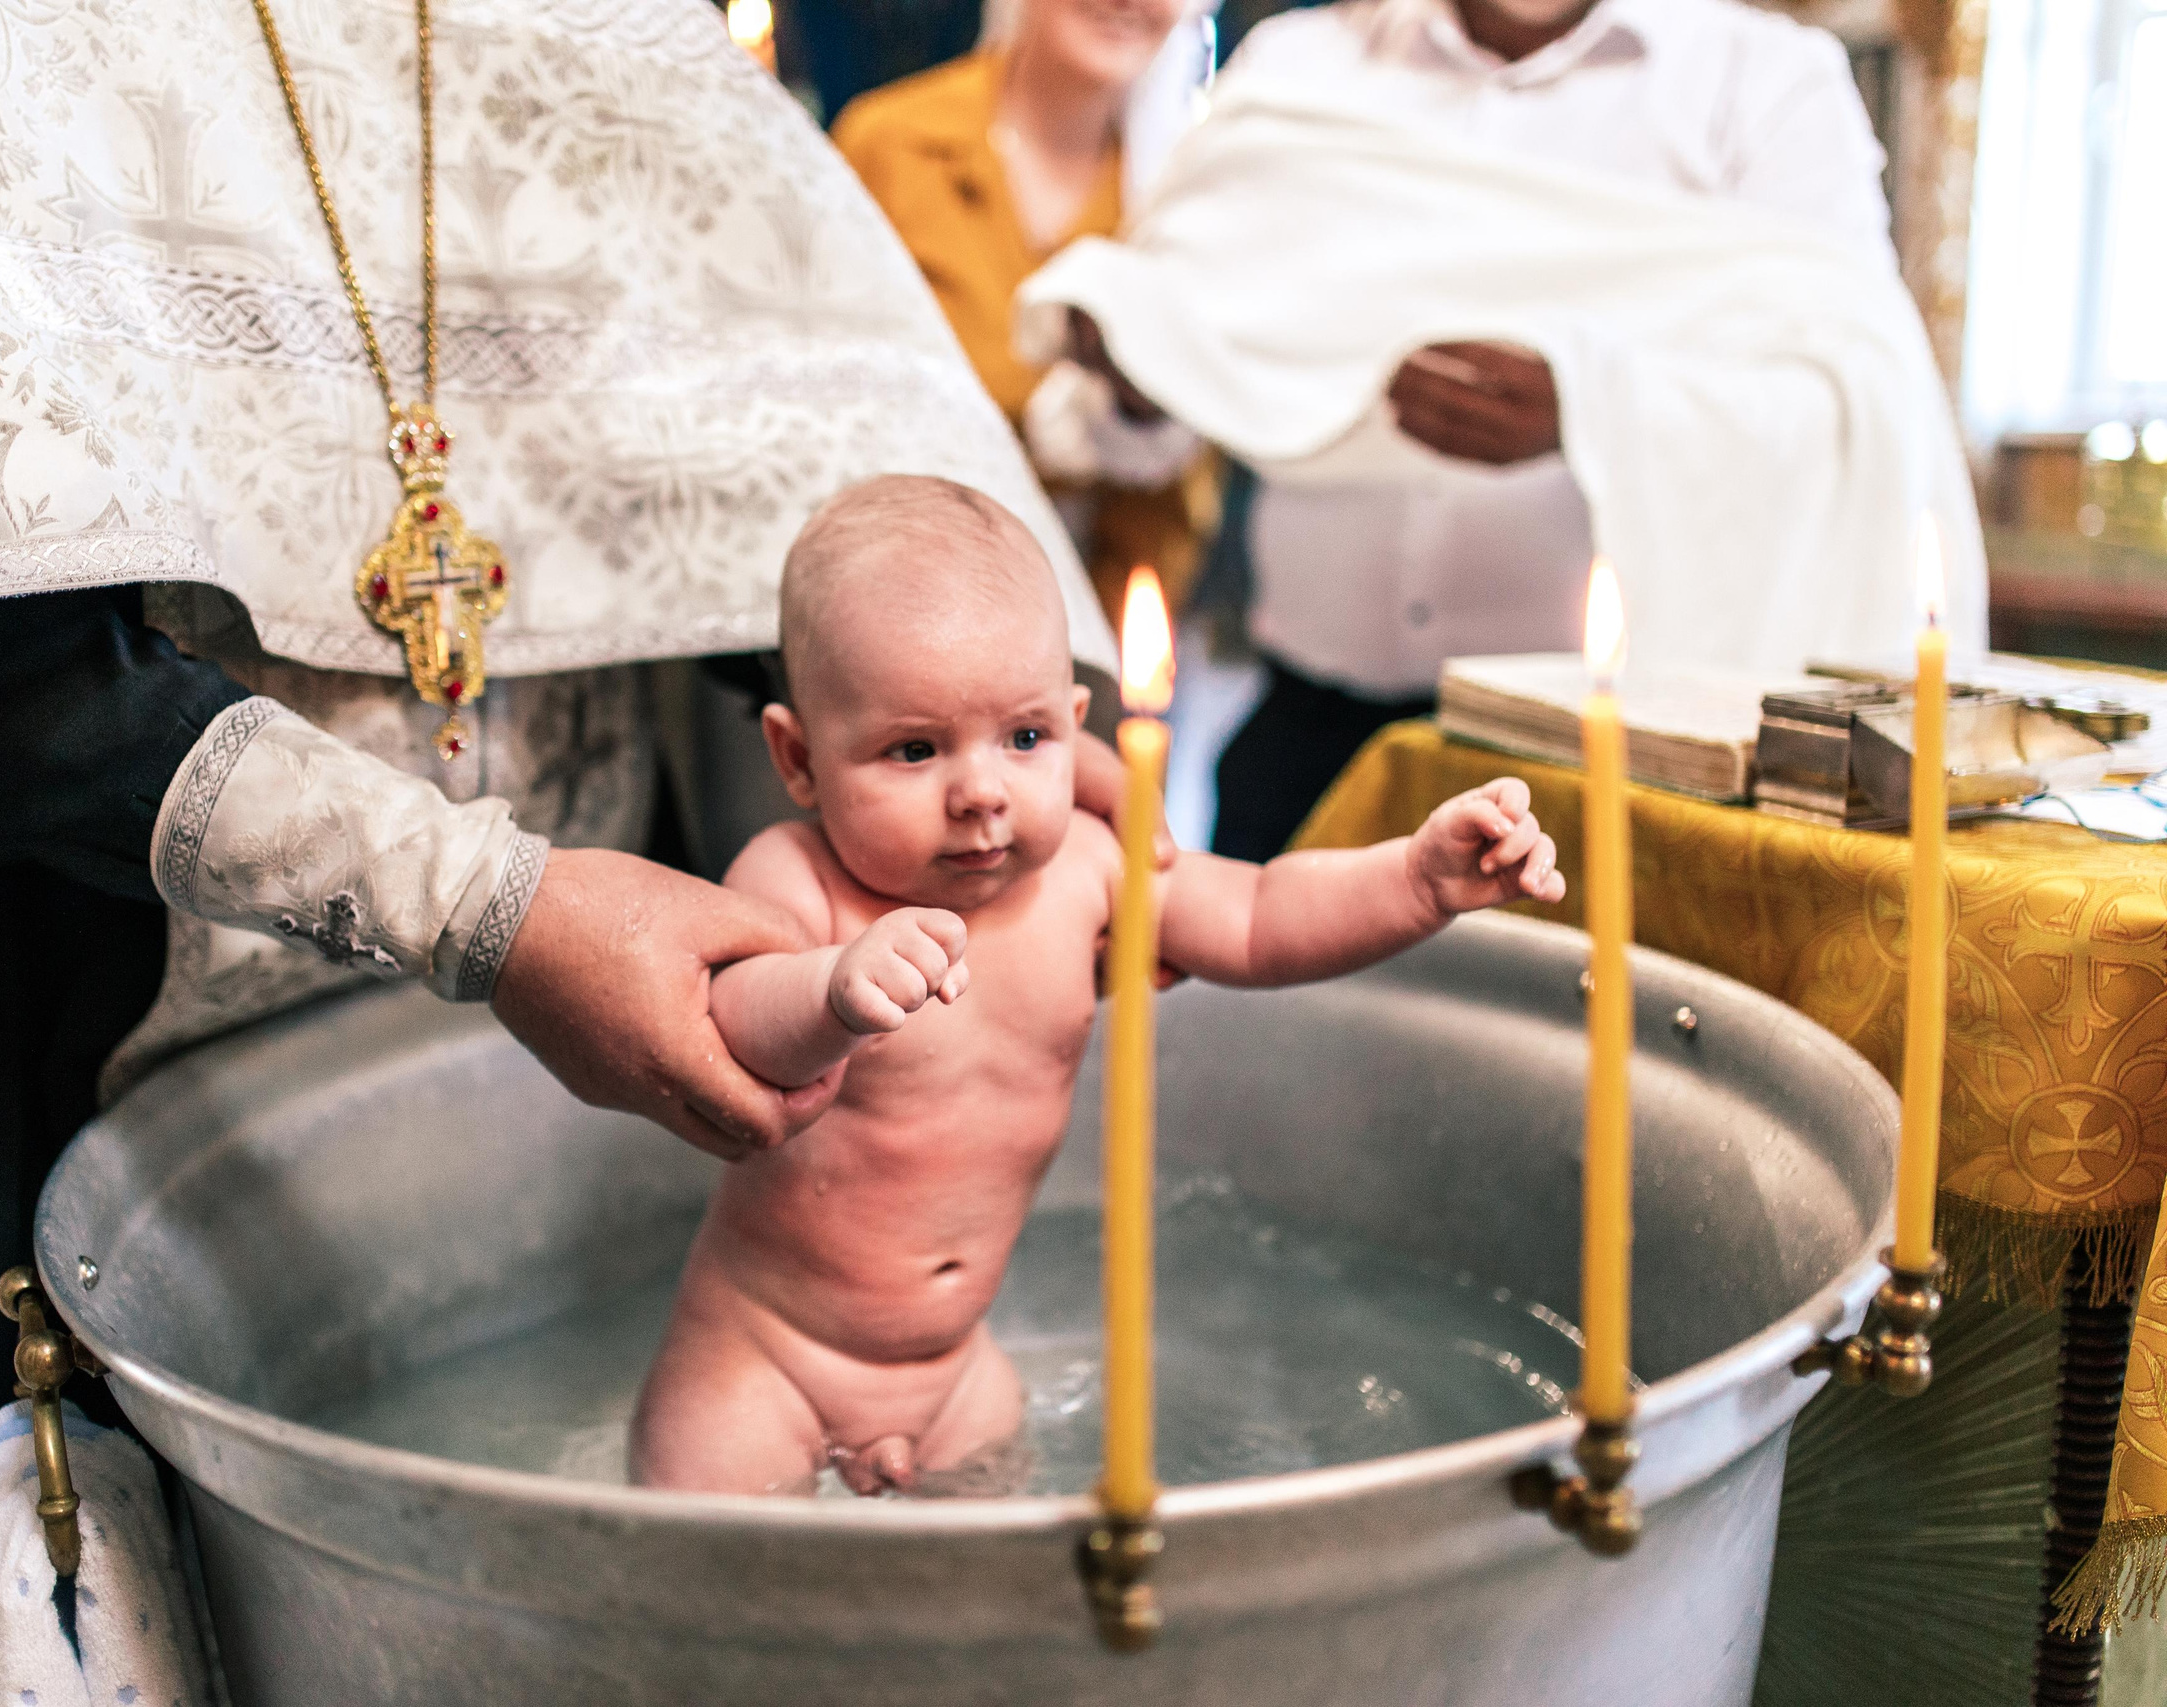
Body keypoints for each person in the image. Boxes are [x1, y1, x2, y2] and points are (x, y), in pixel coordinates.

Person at [0, 3, 1119, 1698]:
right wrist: (483, 904)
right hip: (88, 1045)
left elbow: (770, 458)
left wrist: (974, 734)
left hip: (608, 1105)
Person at [626, 475, 1561, 1495]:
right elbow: (729, 1033)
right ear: (798, 759)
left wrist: (1415, 881)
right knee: (719, 1601)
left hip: (951, 1375)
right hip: (762, 1356)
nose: (981, 791)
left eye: (1024, 738)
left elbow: (1257, 919)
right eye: (912, 748)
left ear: (1076, 722)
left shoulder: (1086, 866)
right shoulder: (794, 877)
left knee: (994, 1599)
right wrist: (828, 992)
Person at [1039, 0, 1940, 860]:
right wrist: (1146, 369)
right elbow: (1156, 430)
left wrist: (1592, 405)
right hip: (1307, 745)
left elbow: (1853, 390)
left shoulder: (1763, 85)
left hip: (1606, 768)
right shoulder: (1295, 67)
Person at [832, 0, 1220, 625]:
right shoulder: (889, 146)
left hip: (1074, 631)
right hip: (885, 602)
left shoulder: (1182, 199)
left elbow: (1173, 504)